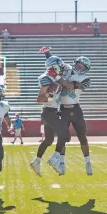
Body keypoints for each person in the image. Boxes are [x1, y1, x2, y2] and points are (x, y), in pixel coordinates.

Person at [41, 47, 92, 175]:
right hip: (62, 109)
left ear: (85, 69)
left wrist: (59, 78)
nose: (80, 68)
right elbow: (56, 63)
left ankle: (87, 162)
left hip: (76, 109)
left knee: (82, 136)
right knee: (62, 136)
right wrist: (47, 54)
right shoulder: (67, 69)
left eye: (82, 67)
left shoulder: (85, 78)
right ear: (76, 63)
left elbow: (70, 85)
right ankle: (61, 162)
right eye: (79, 65)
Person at [30, 56, 70, 176]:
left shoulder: (55, 77)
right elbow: (40, 98)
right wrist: (53, 97)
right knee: (65, 136)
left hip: (52, 111)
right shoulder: (46, 78)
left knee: (48, 140)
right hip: (49, 111)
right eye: (59, 66)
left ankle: (36, 161)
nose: (62, 68)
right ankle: (55, 158)